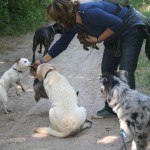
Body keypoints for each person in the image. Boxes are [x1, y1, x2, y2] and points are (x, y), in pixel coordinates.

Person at [33, 0, 150, 118]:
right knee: (107, 69)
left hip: (131, 27)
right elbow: (62, 44)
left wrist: (98, 39)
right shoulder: (72, 23)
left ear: (65, 14)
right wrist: (41, 62)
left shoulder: (88, 12)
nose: (59, 23)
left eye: (59, 19)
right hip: (113, 34)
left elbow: (117, 22)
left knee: (125, 69)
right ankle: (111, 109)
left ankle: (132, 112)